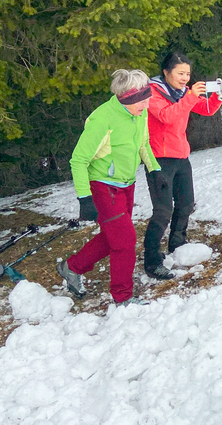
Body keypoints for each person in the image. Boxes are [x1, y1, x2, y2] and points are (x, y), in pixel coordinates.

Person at [56, 69, 161, 306]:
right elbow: (78, 160)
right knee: (124, 241)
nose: (146, 105)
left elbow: (143, 143)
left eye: (148, 99)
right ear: (127, 98)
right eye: (142, 101)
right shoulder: (102, 119)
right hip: (102, 186)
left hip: (126, 185)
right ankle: (122, 297)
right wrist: (85, 198)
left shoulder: (138, 113)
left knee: (112, 237)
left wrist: (155, 171)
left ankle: (71, 267)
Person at [143, 52, 222, 279]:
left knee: (186, 203)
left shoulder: (183, 93)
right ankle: (152, 261)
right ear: (166, 72)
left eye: (188, 74)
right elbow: (166, 116)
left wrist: (219, 98)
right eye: (180, 73)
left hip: (181, 156)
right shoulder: (152, 92)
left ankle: (177, 245)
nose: (185, 78)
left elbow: (206, 109)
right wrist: (190, 96)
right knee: (162, 211)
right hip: (158, 158)